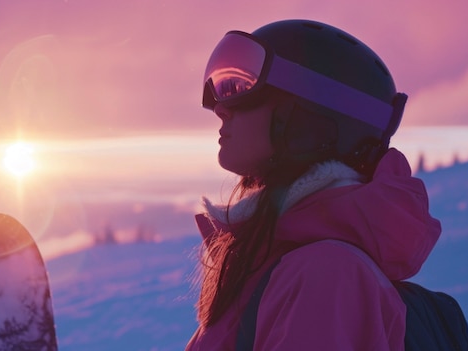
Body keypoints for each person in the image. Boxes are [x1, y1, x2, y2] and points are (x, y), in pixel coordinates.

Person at [185, 19, 441, 350]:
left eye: (244, 86)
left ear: (308, 116)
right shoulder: (276, 259)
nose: (219, 107)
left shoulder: (324, 274)